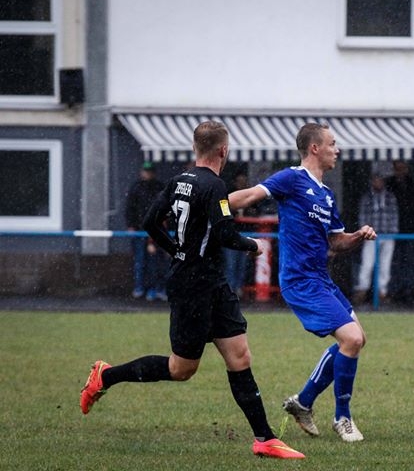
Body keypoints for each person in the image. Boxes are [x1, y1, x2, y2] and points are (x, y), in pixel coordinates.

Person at [80, 121, 304, 459]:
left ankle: (265, 439)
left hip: (211, 282)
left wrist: (176, 251)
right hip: (192, 286)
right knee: (181, 369)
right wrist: (253, 245)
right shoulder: (214, 185)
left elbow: (150, 222)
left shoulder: (178, 181)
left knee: (239, 356)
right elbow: (225, 234)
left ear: (195, 147)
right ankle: (105, 376)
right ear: (223, 151)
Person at [228, 123, 377, 442]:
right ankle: (342, 418)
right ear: (314, 148)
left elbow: (336, 242)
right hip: (300, 280)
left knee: (357, 339)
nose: (337, 149)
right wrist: (214, 205)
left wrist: (358, 236)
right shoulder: (292, 178)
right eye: (332, 144)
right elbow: (251, 195)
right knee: (351, 339)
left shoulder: (326, 195)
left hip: (320, 278)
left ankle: (303, 402)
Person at [353, 173, 398, 304]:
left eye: (380, 180)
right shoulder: (367, 197)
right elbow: (362, 217)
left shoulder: (389, 197)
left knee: (385, 265)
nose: (378, 183)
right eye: (375, 180)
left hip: (388, 235)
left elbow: (394, 215)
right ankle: (362, 290)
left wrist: (393, 232)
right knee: (367, 264)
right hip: (371, 236)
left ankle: (382, 292)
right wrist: (365, 232)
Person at [125, 161, 166, 300]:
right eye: (146, 171)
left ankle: (156, 288)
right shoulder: (136, 188)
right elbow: (130, 208)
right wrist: (131, 225)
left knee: (156, 262)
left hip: (156, 230)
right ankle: (140, 287)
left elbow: (165, 209)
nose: (148, 174)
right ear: (142, 172)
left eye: (150, 171)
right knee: (140, 260)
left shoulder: (159, 188)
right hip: (140, 230)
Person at [386, 160, 414, 303]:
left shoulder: (413, 184)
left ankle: (410, 291)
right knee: (394, 261)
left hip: (411, 228)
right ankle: (395, 291)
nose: (400, 171)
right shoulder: (390, 184)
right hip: (394, 229)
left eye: (402, 168)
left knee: (411, 261)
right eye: (398, 168)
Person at [223, 170, 254, 298]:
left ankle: (238, 288)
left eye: (244, 181)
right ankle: (230, 288)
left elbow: (255, 211)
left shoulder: (250, 195)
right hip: (232, 234)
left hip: (244, 234)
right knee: (231, 264)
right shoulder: (228, 194)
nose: (242, 183)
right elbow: (224, 211)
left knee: (242, 264)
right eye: (240, 181)